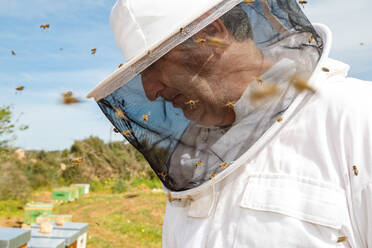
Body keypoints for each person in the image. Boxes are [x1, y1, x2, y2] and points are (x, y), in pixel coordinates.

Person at [88, 0, 372, 247]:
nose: (150, 90)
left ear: (212, 35)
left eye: (153, 65)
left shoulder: (356, 116)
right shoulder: (191, 156)